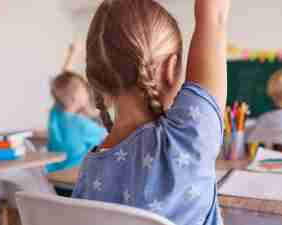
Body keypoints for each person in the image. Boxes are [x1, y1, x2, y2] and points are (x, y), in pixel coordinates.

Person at [72, 0, 229, 225]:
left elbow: (213, 17)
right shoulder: (185, 140)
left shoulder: (89, 172)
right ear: (169, 68)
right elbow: (214, 17)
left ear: (100, 80)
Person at [46, 45, 107, 173]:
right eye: (85, 89)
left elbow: (61, 87)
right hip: (75, 179)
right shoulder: (82, 125)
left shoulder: (55, 114)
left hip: (54, 176)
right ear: (76, 99)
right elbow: (109, 135)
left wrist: (71, 55)